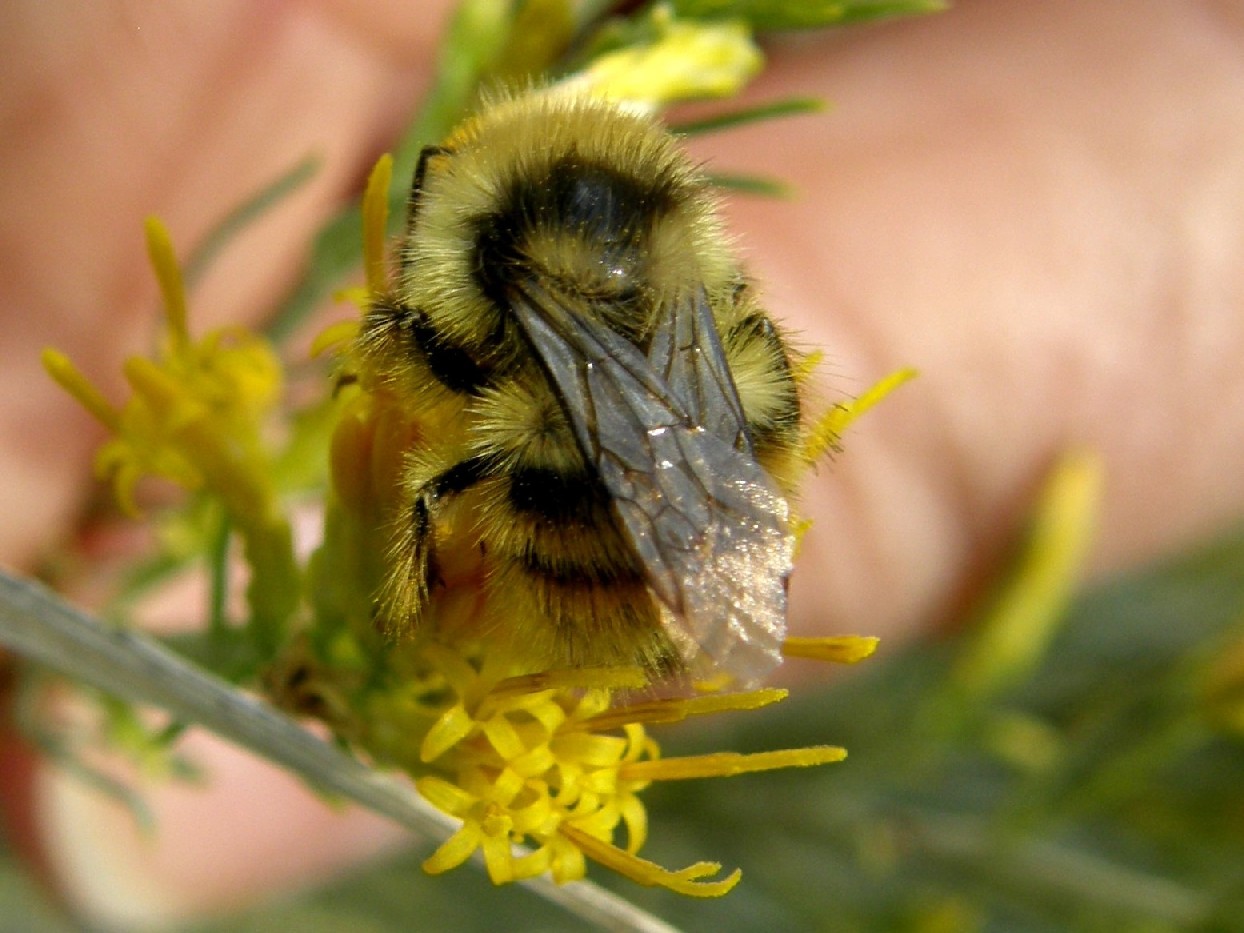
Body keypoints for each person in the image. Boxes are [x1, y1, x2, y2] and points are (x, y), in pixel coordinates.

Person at [1, 0, 1242, 926]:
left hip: (583, 562)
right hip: (637, 520)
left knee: (461, 442)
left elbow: (437, 361)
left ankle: (377, 630)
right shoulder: (626, 240)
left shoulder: (523, 271)